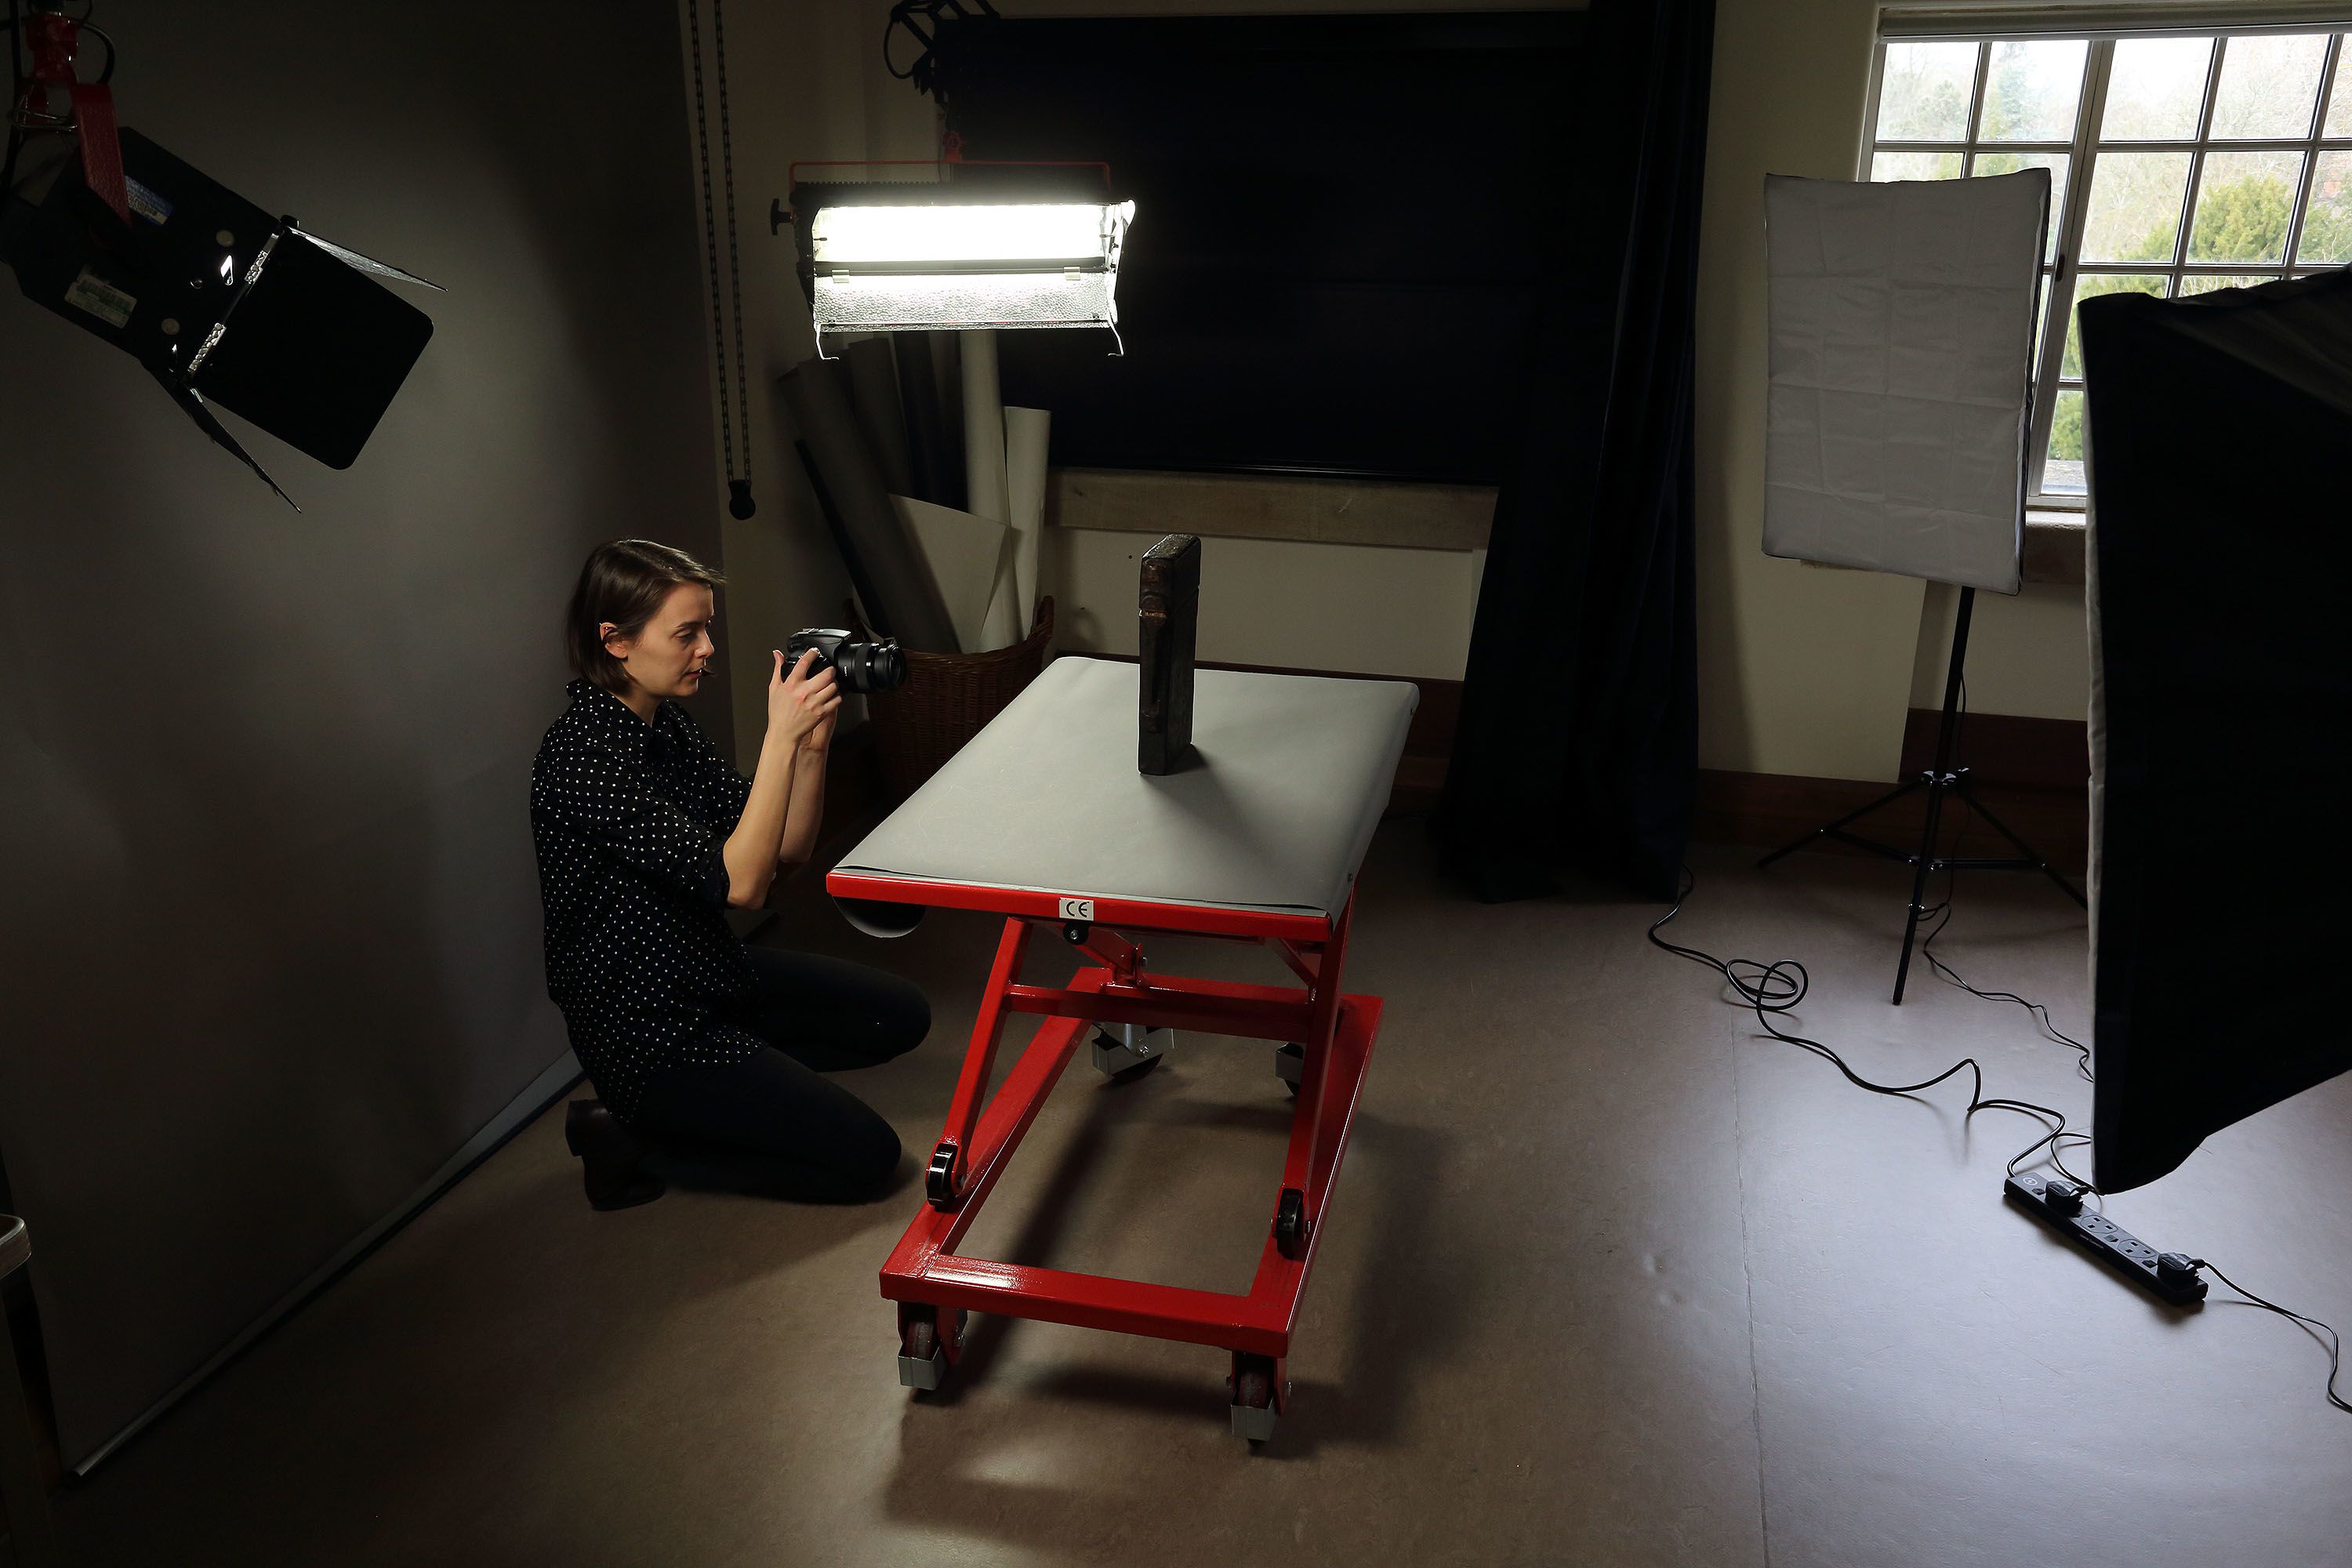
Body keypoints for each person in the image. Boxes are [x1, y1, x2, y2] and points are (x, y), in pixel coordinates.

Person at [530, 539, 930, 1210]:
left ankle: (736, 1093)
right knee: (869, 1159)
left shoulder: (670, 728)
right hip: (648, 1028)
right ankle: (631, 1134)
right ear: (616, 641)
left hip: (706, 972)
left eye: (706, 628)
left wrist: (811, 746)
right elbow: (741, 888)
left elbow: (785, 853)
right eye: (686, 633)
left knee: (900, 1016)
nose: (708, 648)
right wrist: (779, 737)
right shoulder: (580, 760)